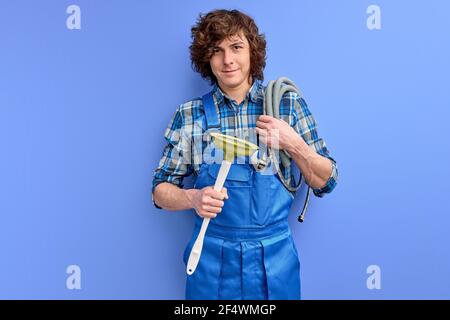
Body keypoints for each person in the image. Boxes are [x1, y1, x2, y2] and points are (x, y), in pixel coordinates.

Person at [152, 9, 338, 300]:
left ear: (253, 51)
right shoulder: (190, 115)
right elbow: (159, 192)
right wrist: (193, 198)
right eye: (217, 50)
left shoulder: (286, 105)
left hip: (274, 263)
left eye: (236, 47)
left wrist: (293, 143)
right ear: (207, 58)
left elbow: (327, 181)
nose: (228, 60)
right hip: (211, 262)